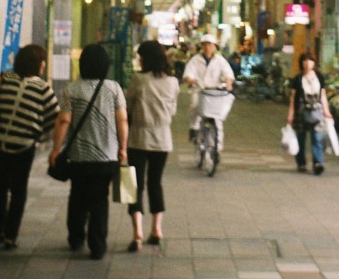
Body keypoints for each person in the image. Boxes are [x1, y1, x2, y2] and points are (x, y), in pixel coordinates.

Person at [49, 43, 128, 260]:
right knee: (100, 199)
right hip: (107, 157)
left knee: (78, 196)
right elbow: (122, 120)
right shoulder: (114, 89)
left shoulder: (72, 89)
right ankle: (98, 245)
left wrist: (56, 149)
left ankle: (76, 238)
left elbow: (64, 120)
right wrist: (123, 148)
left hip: (79, 158)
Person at [0, 44, 59, 249]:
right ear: (37, 64)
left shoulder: (3, 79)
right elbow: (54, 117)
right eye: (42, 62)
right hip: (24, 147)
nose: (44, 66)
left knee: (0, 186)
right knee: (19, 190)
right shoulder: (42, 88)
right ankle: (10, 235)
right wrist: (38, 131)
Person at [124, 39, 179, 251]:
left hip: (138, 138)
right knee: (155, 183)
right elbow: (172, 111)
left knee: (132, 185)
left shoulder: (139, 79)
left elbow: (128, 107)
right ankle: (157, 229)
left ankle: (137, 233)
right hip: (163, 139)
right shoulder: (172, 82)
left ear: (145, 58)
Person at [183, 34, 234, 147]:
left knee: (218, 119)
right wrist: (191, 80)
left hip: (215, 92)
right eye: (205, 45)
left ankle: (217, 148)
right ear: (201, 46)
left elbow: (228, 73)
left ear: (214, 46)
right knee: (195, 106)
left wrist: (228, 82)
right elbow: (188, 74)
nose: (207, 48)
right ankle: (194, 128)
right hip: (200, 90)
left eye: (210, 45)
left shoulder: (220, 60)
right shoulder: (195, 60)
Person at [287, 51, 332, 175]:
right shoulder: (297, 78)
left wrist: (327, 111)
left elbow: (323, 96)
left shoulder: (319, 77)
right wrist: (290, 114)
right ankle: (301, 163)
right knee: (300, 139)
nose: (307, 63)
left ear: (314, 62)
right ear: (301, 63)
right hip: (301, 112)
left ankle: (318, 163)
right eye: (305, 61)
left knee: (317, 138)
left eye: (310, 60)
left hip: (317, 111)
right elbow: (293, 98)